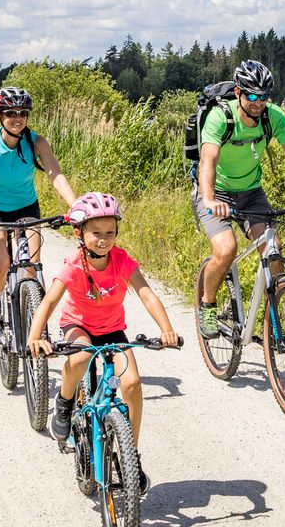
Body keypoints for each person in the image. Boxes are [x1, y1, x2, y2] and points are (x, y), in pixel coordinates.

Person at [29, 192, 181, 490]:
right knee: (82, 356)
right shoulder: (73, 266)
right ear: (79, 232)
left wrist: (167, 329)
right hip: (78, 326)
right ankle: (65, 399)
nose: (104, 239)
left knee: (133, 383)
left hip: (112, 330)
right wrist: (36, 338)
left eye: (110, 233)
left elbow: (146, 293)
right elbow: (47, 303)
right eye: (96, 233)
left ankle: (130, 457)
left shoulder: (121, 260)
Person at [193, 58, 285, 338]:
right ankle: (207, 304)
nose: (258, 102)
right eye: (252, 96)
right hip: (215, 192)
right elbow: (208, 159)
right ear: (238, 93)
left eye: (264, 97)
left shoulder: (272, 116)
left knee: (274, 250)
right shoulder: (221, 117)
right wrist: (209, 199)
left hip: (251, 192)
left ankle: (273, 323)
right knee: (225, 249)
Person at [0, 86, 79, 345]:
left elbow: (54, 174)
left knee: (32, 268)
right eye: (10, 112)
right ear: (0, 115)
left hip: (25, 208)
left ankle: (33, 324)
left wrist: (76, 205)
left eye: (22, 112)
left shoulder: (36, 141)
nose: (17, 117)